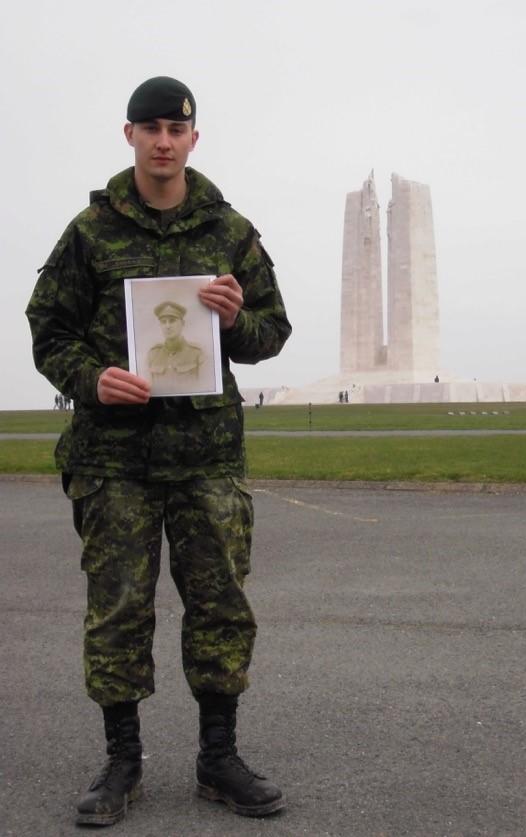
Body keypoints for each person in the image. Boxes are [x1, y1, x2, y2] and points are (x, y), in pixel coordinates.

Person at [26, 76, 291, 825]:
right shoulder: (90, 231)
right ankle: (121, 762)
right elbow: (49, 329)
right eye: (150, 129)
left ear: (193, 139)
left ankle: (218, 757)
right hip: (115, 460)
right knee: (116, 613)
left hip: (206, 457)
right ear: (131, 136)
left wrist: (238, 321)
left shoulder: (229, 232)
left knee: (220, 608)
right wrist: (91, 378)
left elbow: (272, 333)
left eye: (176, 130)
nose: (163, 141)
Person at [147, 300, 206, 388]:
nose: (167, 326)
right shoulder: (153, 354)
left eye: (172, 321)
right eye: (163, 322)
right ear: (160, 325)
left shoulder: (197, 353)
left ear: (182, 323)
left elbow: (204, 387)